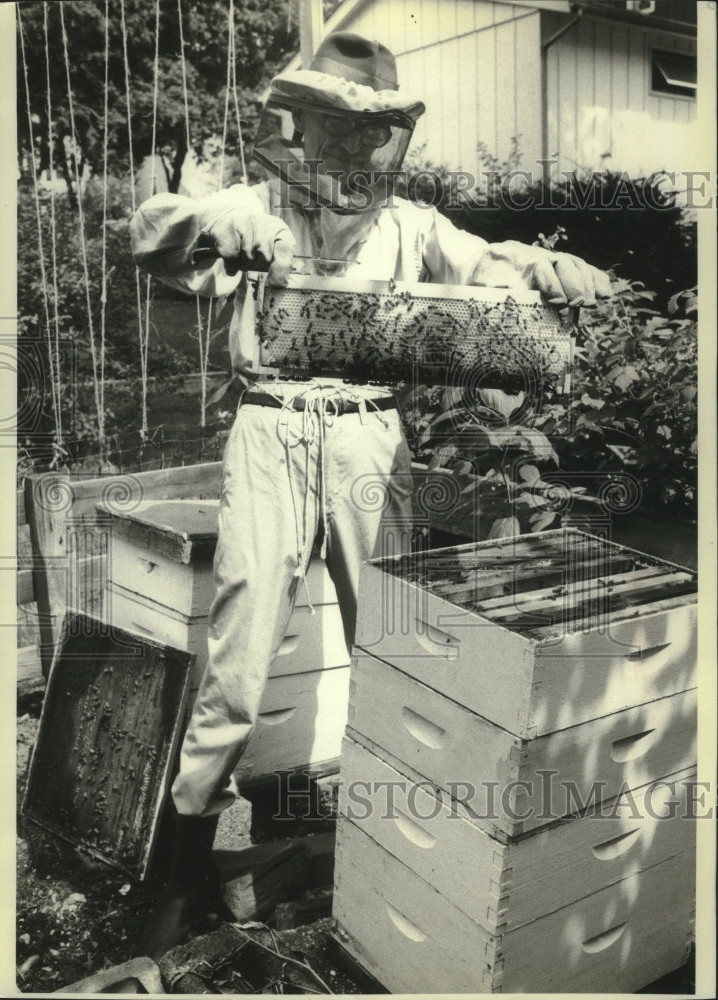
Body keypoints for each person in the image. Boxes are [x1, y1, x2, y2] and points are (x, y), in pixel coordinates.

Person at [130, 31, 611, 959]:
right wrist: (214, 228)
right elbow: (152, 229)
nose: (356, 152)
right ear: (303, 128)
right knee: (239, 644)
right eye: (339, 131)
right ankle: (183, 860)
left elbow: (487, 271)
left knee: (389, 642)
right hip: (270, 426)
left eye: (373, 133)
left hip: (366, 434)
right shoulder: (254, 199)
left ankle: (407, 841)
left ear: (392, 138)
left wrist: (539, 266)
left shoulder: (412, 226)